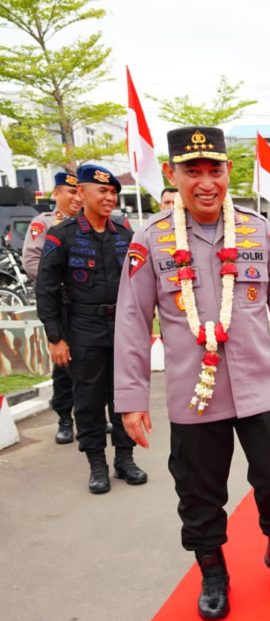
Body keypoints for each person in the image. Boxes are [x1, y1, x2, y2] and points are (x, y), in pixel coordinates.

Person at [114, 126, 270, 618]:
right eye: (192, 171)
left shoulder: (258, 230)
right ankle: (213, 569)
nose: (206, 182)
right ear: (172, 174)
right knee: (199, 491)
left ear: (228, 172)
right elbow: (131, 322)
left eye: (215, 170)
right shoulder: (152, 238)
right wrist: (130, 397)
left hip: (262, 388)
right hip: (193, 393)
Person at [36, 165, 147, 494]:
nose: (110, 197)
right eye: (103, 191)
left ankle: (124, 459)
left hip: (122, 328)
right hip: (83, 327)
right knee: (88, 398)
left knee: (123, 395)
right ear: (82, 193)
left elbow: (140, 285)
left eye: (113, 192)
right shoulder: (63, 234)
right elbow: (46, 288)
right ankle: (96, 462)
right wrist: (55, 337)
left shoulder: (125, 235)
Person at [22, 171, 82, 444]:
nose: (76, 198)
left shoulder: (87, 223)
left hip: (86, 305)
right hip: (59, 304)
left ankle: (89, 416)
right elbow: (32, 261)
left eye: (79, 192)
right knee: (63, 364)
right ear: (56, 193)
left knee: (91, 363)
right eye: (70, 192)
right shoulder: (43, 223)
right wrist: (59, 281)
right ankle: (64, 419)